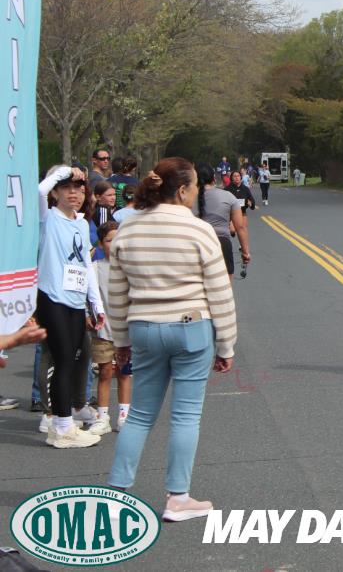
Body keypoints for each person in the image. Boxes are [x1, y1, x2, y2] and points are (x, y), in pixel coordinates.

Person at [106, 157, 237, 522]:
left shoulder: (128, 228)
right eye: (194, 187)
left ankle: (116, 495)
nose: (196, 193)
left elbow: (116, 293)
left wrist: (120, 341)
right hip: (191, 326)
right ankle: (178, 498)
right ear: (181, 190)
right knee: (185, 416)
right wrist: (226, 344)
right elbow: (219, 293)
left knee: (139, 415)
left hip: (144, 327)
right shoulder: (199, 230)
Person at [35, 165, 106, 448]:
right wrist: (66, 171)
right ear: (56, 193)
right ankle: (62, 426)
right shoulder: (47, 216)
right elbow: (38, 191)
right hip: (51, 297)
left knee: (75, 360)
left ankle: (63, 425)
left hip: (76, 301)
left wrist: (96, 304)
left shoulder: (82, 223)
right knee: (62, 360)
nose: (73, 193)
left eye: (78, 188)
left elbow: (86, 265)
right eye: (66, 188)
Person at [88, 221, 132, 433]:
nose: (113, 244)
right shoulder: (95, 268)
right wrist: (88, 316)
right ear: (100, 244)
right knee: (105, 372)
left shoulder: (130, 267)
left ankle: (124, 415)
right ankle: (102, 416)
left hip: (126, 330)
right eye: (108, 240)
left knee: (124, 372)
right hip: (103, 330)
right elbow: (87, 296)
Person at [195, 164, 250, 278]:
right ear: (214, 179)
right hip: (222, 243)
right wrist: (245, 253)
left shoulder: (187, 198)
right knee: (225, 285)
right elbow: (240, 227)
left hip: (196, 244)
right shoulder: (228, 196)